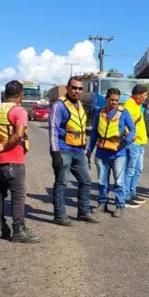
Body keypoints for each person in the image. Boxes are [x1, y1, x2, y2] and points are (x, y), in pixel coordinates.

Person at [0, 80, 39, 243]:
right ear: (21, 95)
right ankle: (18, 230)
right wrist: (2, 148)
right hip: (13, 160)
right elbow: (19, 134)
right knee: (18, 195)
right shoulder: (18, 111)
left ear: (5, 94)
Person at [48, 77, 99, 226]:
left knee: (86, 181)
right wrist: (55, 152)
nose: (77, 91)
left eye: (79, 88)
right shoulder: (59, 105)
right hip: (63, 150)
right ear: (68, 88)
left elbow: (82, 128)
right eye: (74, 87)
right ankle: (59, 215)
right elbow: (53, 129)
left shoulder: (79, 105)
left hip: (78, 151)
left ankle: (83, 212)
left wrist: (86, 148)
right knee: (61, 183)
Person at [87, 88, 136, 218]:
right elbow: (94, 133)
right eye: (112, 100)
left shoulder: (124, 113)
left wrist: (125, 142)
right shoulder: (99, 112)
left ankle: (120, 205)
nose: (114, 102)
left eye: (116, 100)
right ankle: (102, 203)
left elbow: (132, 130)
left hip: (118, 153)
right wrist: (89, 151)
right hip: (101, 153)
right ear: (107, 99)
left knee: (119, 182)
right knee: (102, 181)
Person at [122, 84, 149, 207]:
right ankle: (126, 196)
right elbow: (123, 121)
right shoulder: (129, 104)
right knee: (130, 170)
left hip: (140, 143)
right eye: (145, 95)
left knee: (137, 170)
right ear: (138, 95)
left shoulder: (137, 105)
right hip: (133, 143)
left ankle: (132, 192)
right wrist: (129, 135)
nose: (146, 97)